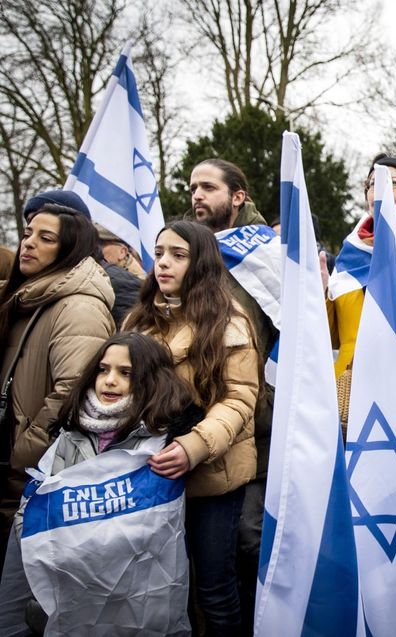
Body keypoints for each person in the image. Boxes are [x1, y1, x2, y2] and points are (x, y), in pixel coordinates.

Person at [0, 332, 202, 634]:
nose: (109, 380)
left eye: (126, 373)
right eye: (103, 369)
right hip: (68, 581)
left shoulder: (163, 443)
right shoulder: (70, 436)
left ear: (150, 380)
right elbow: (36, 507)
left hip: (131, 595)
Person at [123, 220, 258, 635]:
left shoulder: (228, 323)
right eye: (160, 253)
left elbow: (239, 399)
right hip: (147, 473)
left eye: (178, 255)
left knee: (214, 588)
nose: (163, 263)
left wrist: (194, 447)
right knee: (160, 587)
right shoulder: (138, 320)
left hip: (211, 476)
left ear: (200, 264)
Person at [0, 192, 115, 565]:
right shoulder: (26, 299)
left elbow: (74, 392)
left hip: (29, 478)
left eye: (46, 238)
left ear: (70, 248)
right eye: (28, 233)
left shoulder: (79, 306)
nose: (29, 243)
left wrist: (23, 452)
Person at [189, 158, 277, 628]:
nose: (196, 195)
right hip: (200, 422)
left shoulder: (270, 253)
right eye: (192, 188)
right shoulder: (195, 252)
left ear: (237, 196)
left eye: (207, 187)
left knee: (248, 542)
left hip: (259, 419)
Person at [326, 152, 396, 387]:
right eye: (373, 184)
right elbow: (331, 338)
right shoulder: (349, 253)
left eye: (392, 183)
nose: (378, 189)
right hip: (348, 388)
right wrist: (320, 293)